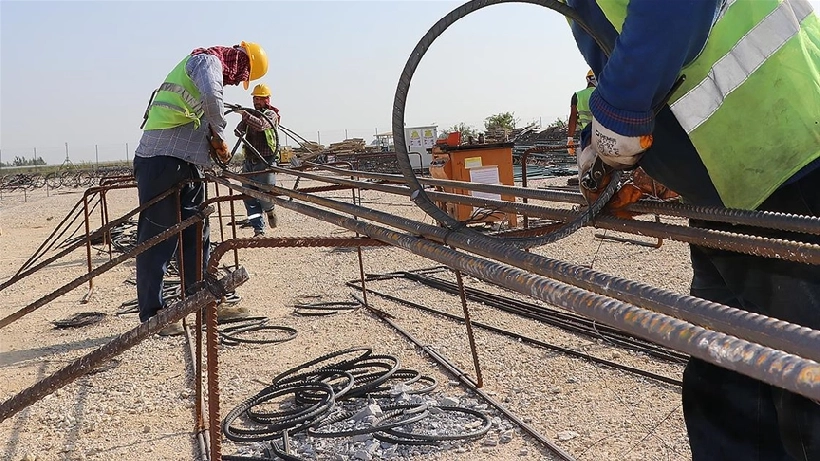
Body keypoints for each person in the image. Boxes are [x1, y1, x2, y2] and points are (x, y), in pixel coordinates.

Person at [566, 1, 820, 460]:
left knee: (805, 387)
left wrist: (618, 112)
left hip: (793, 163)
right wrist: (594, 124)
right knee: (726, 378)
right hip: (727, 184)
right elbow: (618, 57)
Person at [134, 42, 268, 336]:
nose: (235, 80)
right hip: (161, 161)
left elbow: (202, 112)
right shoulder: (208, 61)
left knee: (197, 236)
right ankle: (153, 315)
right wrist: (219, 130)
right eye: (241, 74)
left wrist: (212, 144)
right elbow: (212, 96)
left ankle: (202, 303)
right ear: (241, 61)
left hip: (188, 165)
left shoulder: (209, 70)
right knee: (159, 238)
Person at [235, 83, 281, 237]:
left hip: (265, 161)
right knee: (248, 195)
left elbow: (262, 125)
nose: (256, 101)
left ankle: (270, 210)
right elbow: (239, 130)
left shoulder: (271, 115)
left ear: (266, 100)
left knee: (265, 193)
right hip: (250, 161)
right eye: (255, 98)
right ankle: (258, 229)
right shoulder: (251, 115)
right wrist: (242, 120)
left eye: (259, 99)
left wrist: (246, 115)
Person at [566, 69, 596, 155]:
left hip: (586, 137)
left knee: (585, 164)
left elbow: (573, 118)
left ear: (587, 79)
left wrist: (570, 140)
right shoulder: (603, 93)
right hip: (603, 135)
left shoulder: (578, 96)